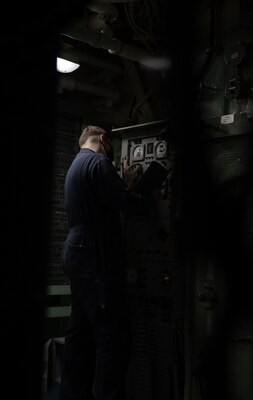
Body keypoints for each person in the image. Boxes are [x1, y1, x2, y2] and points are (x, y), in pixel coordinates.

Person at [58, 125, 144, 400]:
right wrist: (130, 185)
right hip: (96, 255)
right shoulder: (98, 163)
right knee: (112, 337)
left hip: (76, 252)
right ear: (104, 139)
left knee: (80, 333)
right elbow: (125, 202)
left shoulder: (74, 167)